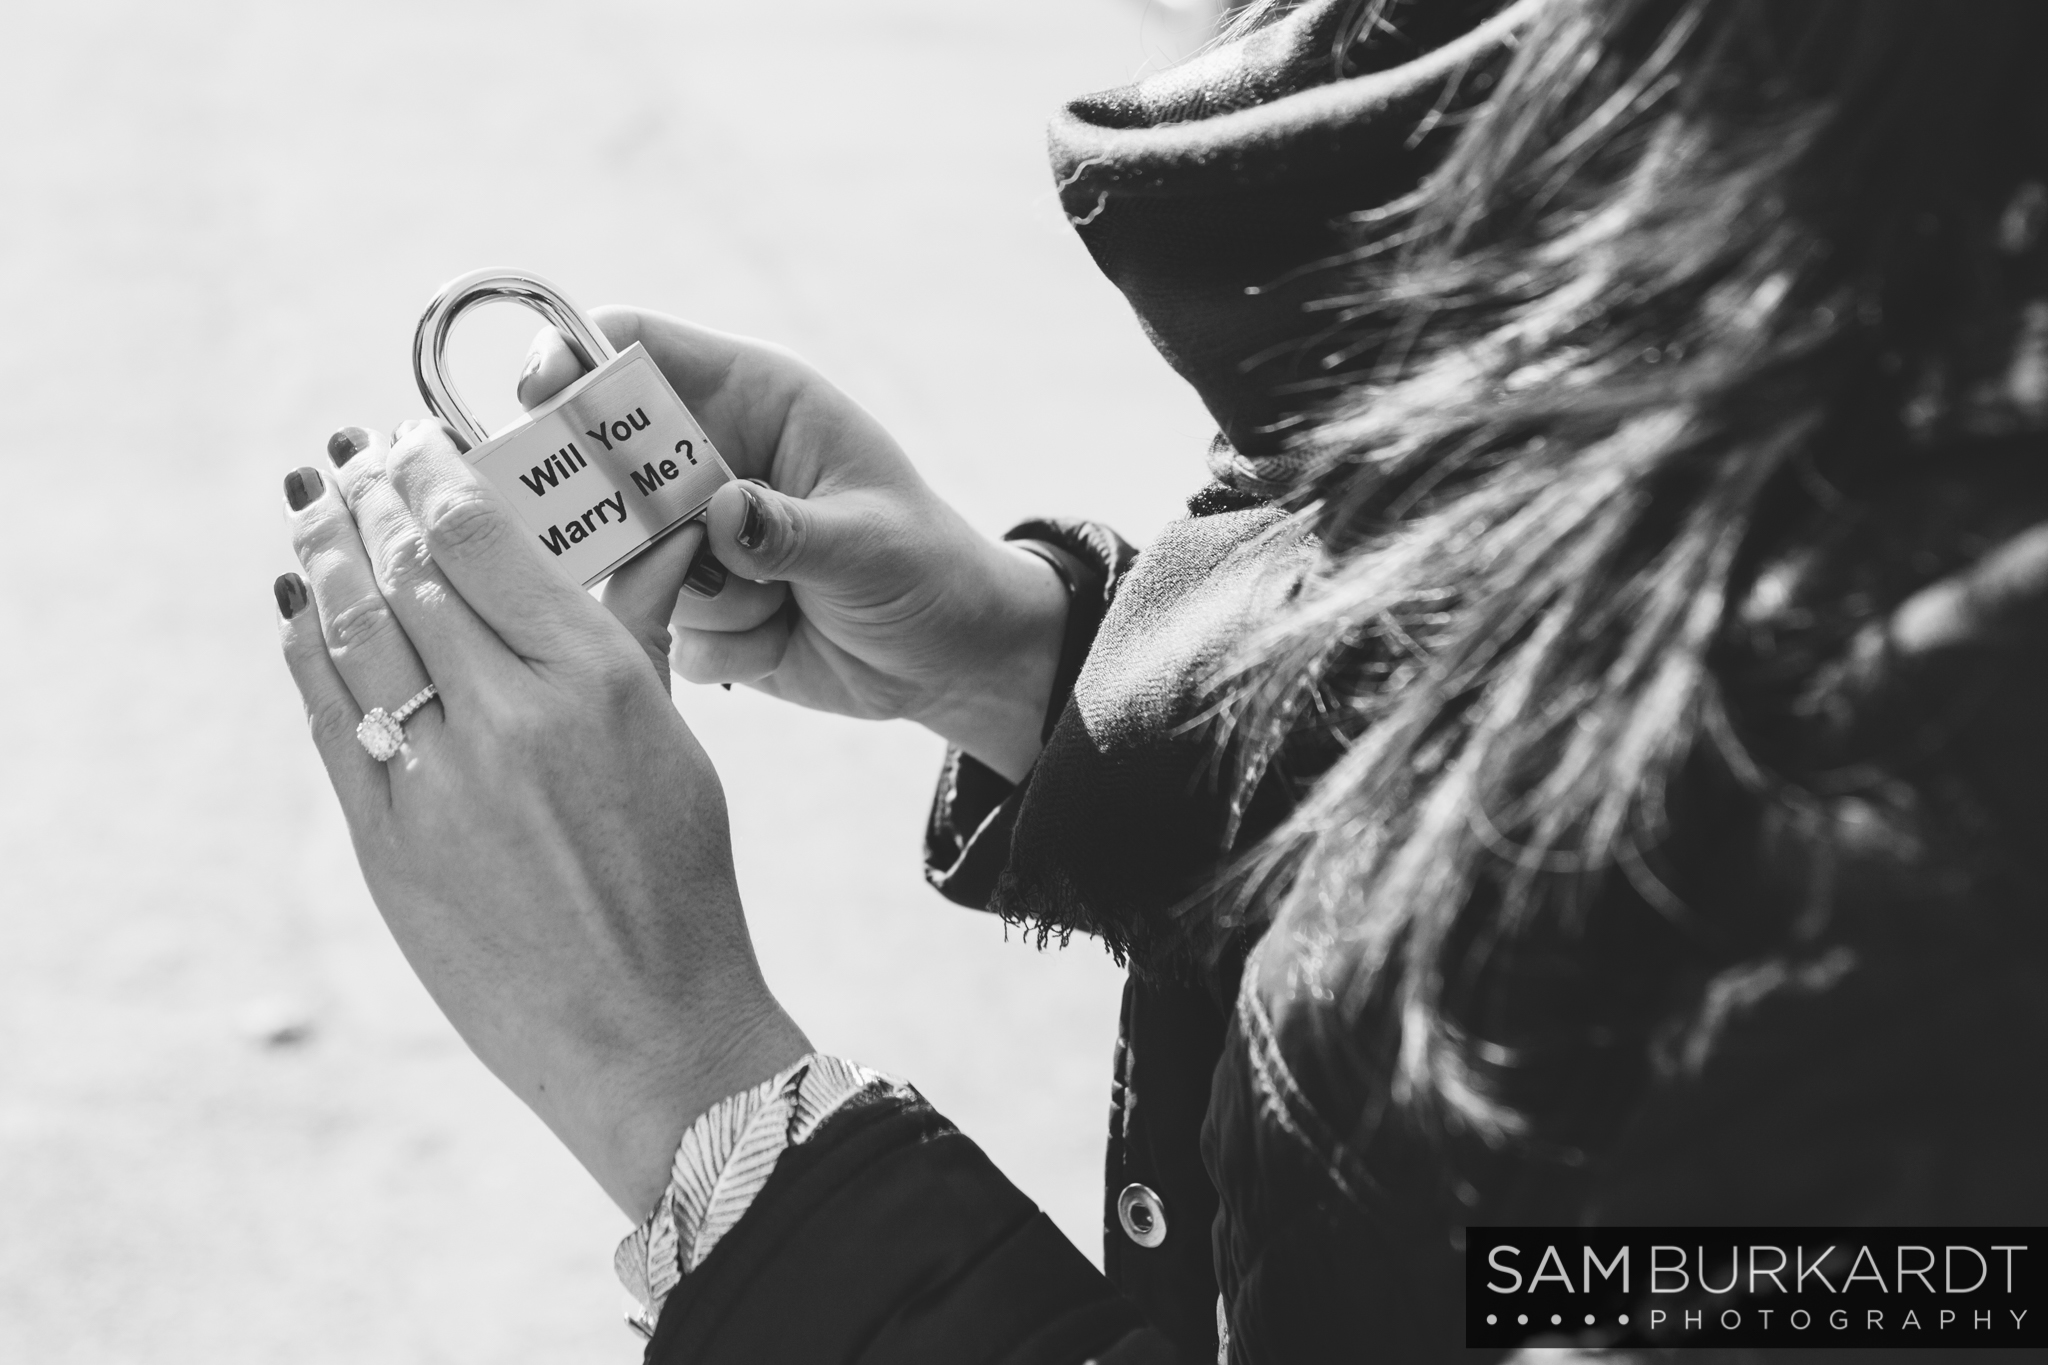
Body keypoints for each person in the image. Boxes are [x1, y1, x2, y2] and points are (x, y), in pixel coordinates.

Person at [272, 0, 2048, 1360]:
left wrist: (696, 1100)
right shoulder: (1778, 177)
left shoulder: (1957, 755)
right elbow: (1589, 890)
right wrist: (1051, 670)